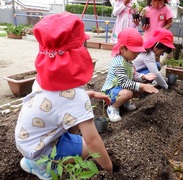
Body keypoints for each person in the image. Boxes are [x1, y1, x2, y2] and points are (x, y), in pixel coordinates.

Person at [15, 12, 112, 179]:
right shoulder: (76, 97)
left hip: (25, 140)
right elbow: (93, 140)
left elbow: (56, 101)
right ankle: (43, 165)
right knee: (90, 150)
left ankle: (35, 158)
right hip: (41, 150)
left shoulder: (42, 79)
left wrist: (90, 94)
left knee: (72, 128)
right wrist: (110, 168)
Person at [102, 27, 159, 122]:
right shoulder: (118, 63)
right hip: (110, 91)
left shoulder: (128, 61)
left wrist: (144, 76)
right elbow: (124, 82)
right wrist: (142, 85)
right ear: (122, 49)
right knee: (130, 92)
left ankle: (123, 102)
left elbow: (133, 75)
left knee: (137, 89)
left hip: (120, 89)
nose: (137, 53)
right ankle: (112, 107)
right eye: (134, 51)